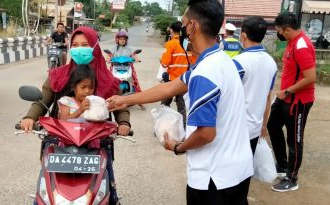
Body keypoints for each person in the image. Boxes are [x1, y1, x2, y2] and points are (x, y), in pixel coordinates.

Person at [107, 0, 253, 204]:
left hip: (212, 179)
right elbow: (170, 86)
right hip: (238, 170)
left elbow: (206, 133)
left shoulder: (205, 73)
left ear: (193, 26)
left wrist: (178, 147)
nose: (182, 29)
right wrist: (126, 99)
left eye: (184, 24)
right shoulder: (219, 60)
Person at [20, 26, 130, 205]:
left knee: (109, 186)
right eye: (76, 45)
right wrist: (30, 117)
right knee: (45, 189)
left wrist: (124, 122)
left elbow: (120, 106)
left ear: (94, 46)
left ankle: (113, 198)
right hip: (59, 140)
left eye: (85, 44)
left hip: (97, 142)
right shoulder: (58, 75)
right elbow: (42, 101)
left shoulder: (107, 79)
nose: (80, 49)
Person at [267, 13, 316, 192]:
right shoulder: (291, 43)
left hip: (298, 101)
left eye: (280, 31)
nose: (279, 34)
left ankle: (291, 178)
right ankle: (282, 165)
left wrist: (287, 91)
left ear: (287, 29)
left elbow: (311, 77)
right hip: (284, 97)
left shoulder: (301, 46)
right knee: (272, 126)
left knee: (294, 139)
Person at [232, 16, 278, 154]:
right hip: (255, 128)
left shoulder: (238, 62)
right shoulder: (272, 63)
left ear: (243, 35)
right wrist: (264, 125)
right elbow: (267, 98)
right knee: (247, 168)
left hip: (235, 128)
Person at [160, 21, 196, 126]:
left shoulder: (170, 44)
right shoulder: (189, 44)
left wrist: (161, 60)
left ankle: (162, 125)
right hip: (184, 81)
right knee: (182, 106)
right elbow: (193, 62)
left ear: (171, 30)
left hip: (172, 80)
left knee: (165, 103)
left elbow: (164, 63)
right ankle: (183, 127)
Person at [107, 30, 145, 109]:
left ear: (126, 40)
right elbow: (109, 56)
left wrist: (137, 59)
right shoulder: (113, 49)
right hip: (115, 67)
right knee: (109, 82)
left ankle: (140, 101)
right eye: (121, 39)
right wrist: (108, 59)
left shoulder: (129, 49)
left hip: (127, 66)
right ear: (117, 40)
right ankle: (107, 98)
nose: (122, 41)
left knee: (135, 82)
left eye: (124, 39)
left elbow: (134, 55)